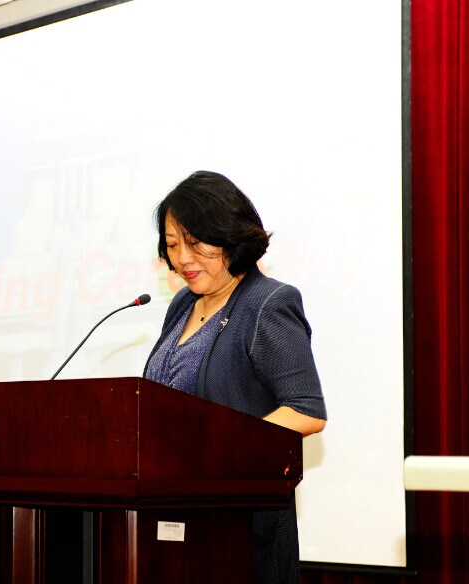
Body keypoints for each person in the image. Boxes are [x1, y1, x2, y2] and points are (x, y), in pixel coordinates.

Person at [143, 170, 327, 584]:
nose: (182, 259)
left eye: (195, 243)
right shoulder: (181, 306)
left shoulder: (267, 302)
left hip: (240, 527)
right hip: (173, 517)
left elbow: (306, 411)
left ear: (230, 237)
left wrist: (222, 451)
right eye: (172, 245)